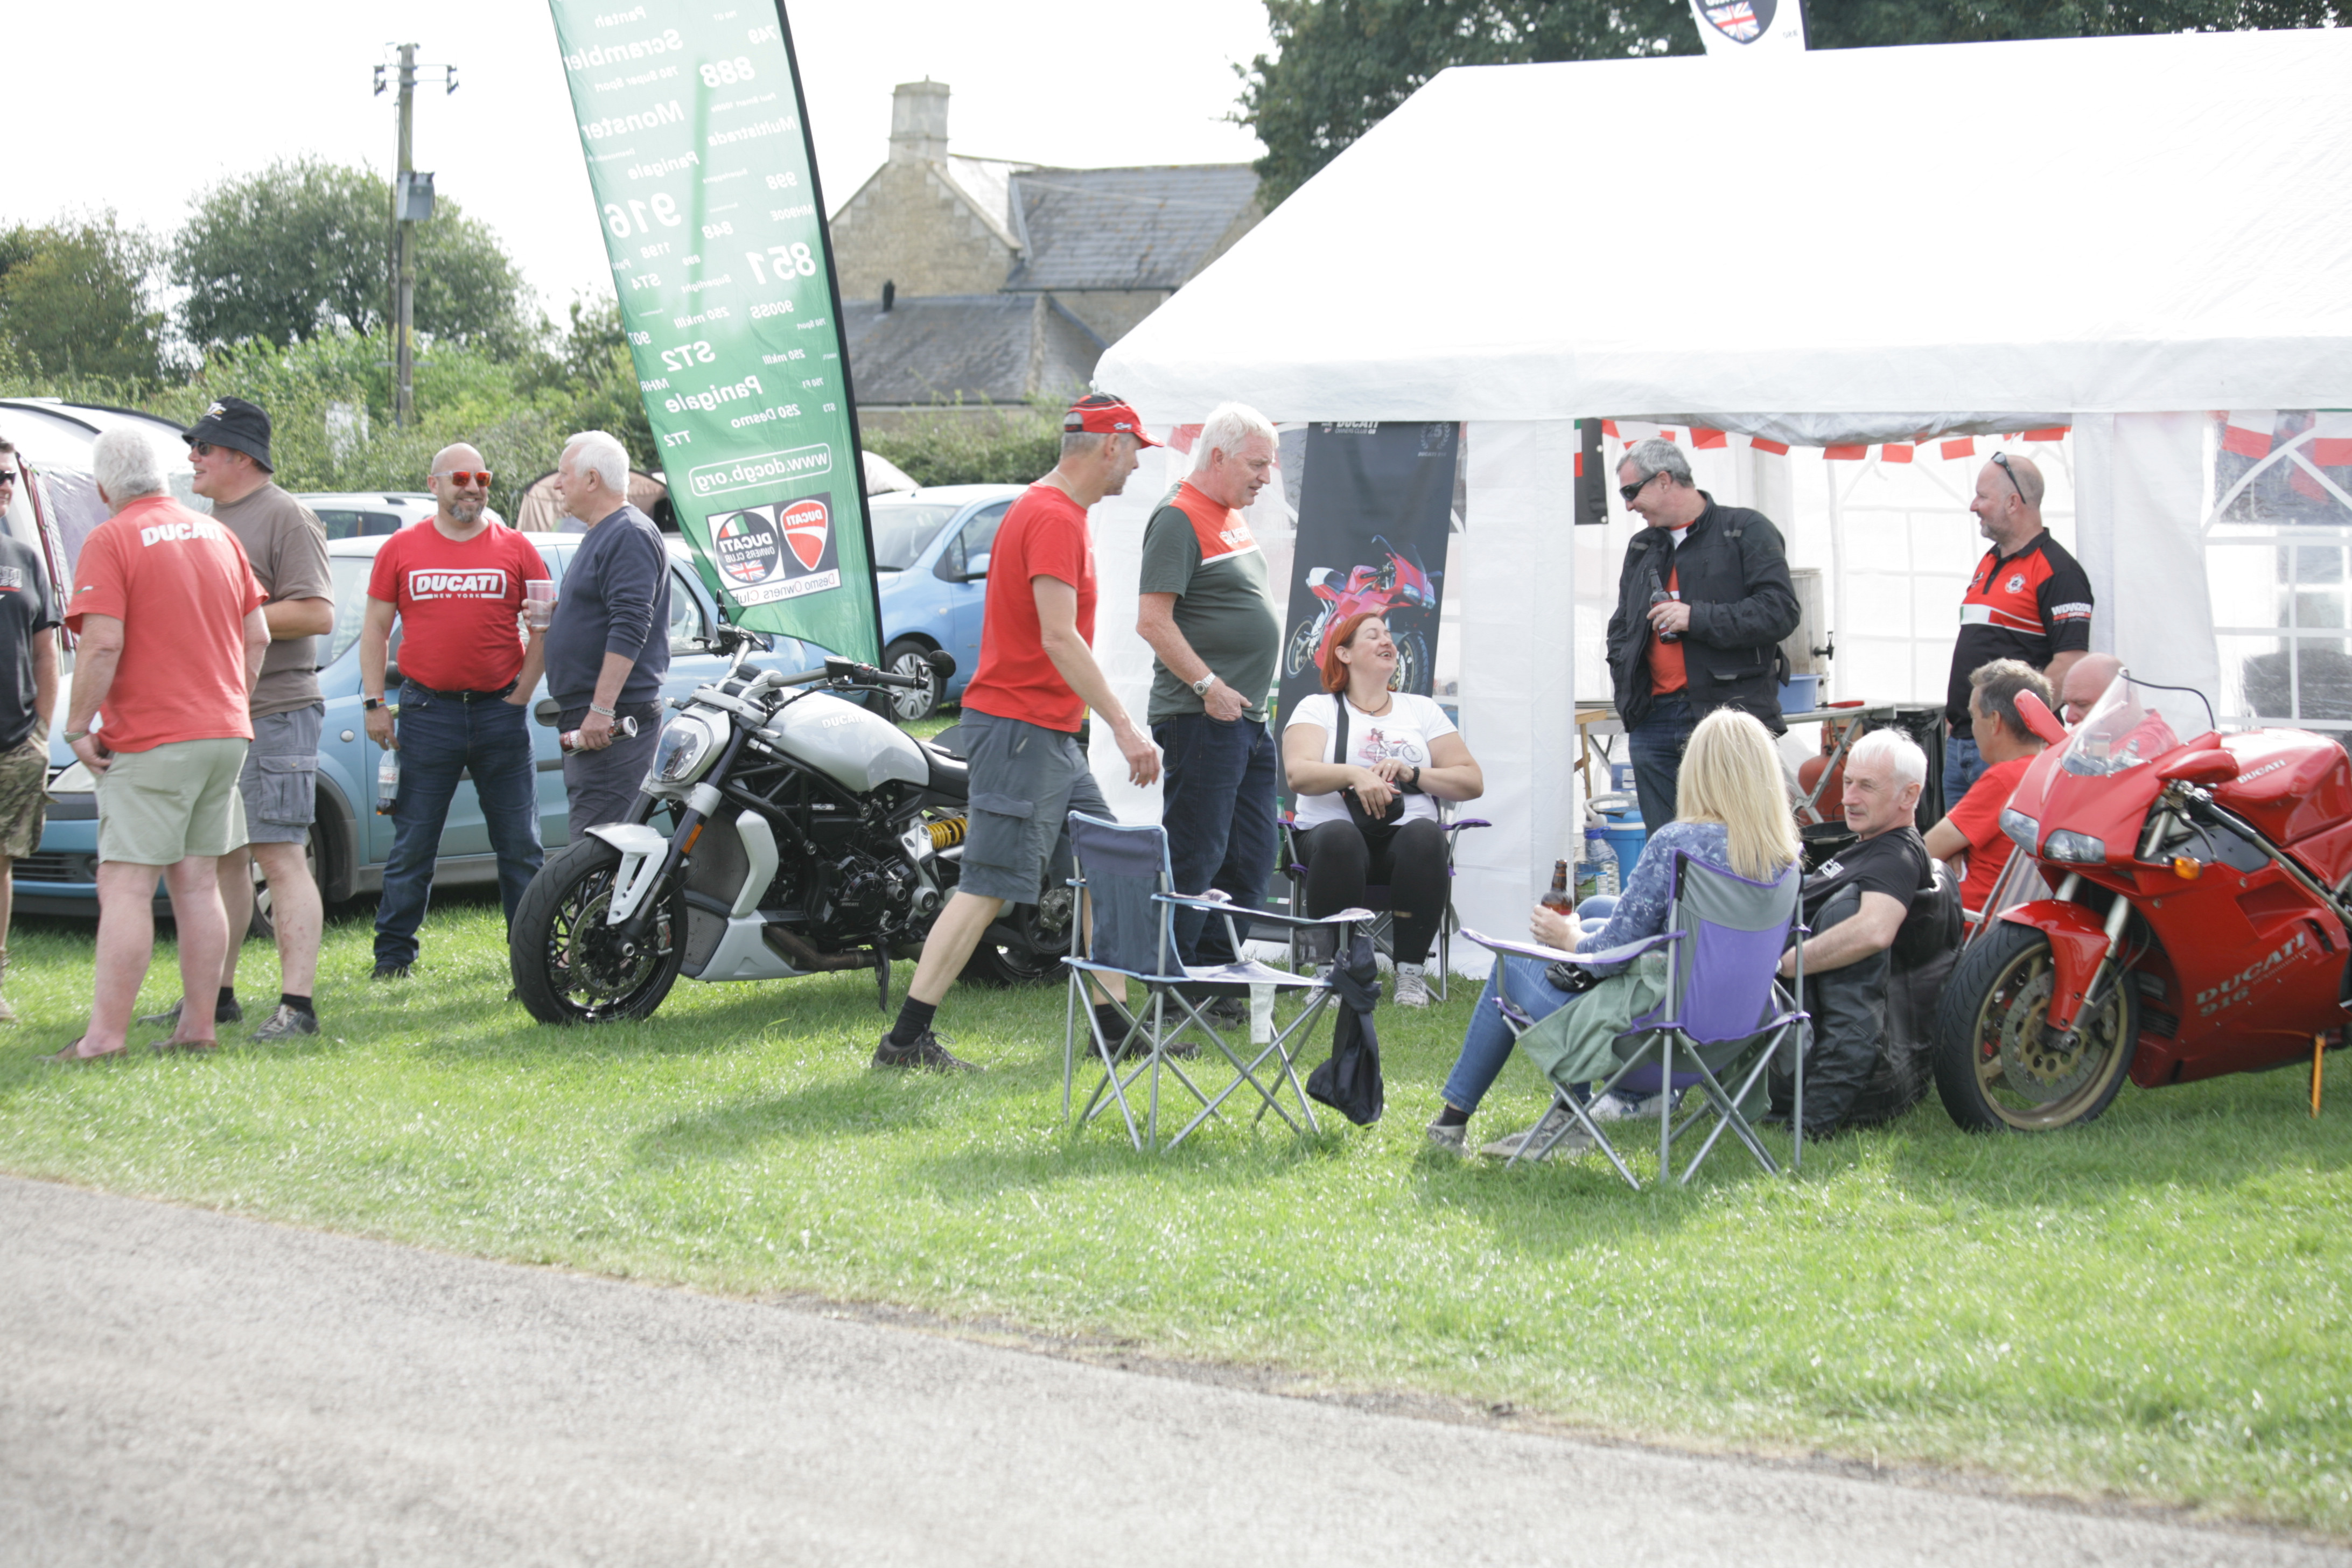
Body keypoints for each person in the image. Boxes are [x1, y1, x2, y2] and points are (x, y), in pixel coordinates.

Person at [874, 395, 1163, 1071]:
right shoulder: (1053, 516)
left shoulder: (1052, 510)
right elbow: (1059, 637)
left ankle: (1114, 1031)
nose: (1138, 463)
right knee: (988, 884)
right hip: (1022, 731)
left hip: (1050, 735)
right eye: (1136, 448)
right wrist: (1123, 727)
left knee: (1107, 864)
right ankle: (906, 1040)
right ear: (1110, 444)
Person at [1426, 707, 1796, 1154]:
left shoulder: (1678, 844)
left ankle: (1456, 1126)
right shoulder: (1783, 856)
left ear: (1698, 770)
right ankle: (1567, 1117)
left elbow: (1610, 958)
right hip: (1730, 1035)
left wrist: (1566, 936)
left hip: (1654, 1041)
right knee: (1601, 908)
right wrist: (1584, 929)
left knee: (1511, 967)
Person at [49, 430, 268, 1060]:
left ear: (101, 488)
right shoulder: (218, 534)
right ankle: (198, 1027)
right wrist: (231, 700)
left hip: (152, 735)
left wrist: (77, 726)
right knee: (197, 882)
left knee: (125, 886)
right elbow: (256, 636)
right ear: (162, 477)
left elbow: (102, 643)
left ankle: (104, 1038)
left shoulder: (111, 538)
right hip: (224, 730)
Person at [149, 397, 335, 1044]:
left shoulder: (286, 515)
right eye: (194, 446)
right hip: (221, 714)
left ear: (242, 455)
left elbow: (316, 612)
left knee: (280, 855)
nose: (192, 457)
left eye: (203, 446)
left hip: (277, 709)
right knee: (222, 856)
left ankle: (297, 1006)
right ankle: (216, 997)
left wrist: (223, 613)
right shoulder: (209, 520)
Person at [360, 445, 550, 979]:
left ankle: (530, 960)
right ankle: (393, 958)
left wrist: (521, 694)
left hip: (499, 715)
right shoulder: (402, 548)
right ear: (435, 483)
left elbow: (543, 628)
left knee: (520, 846)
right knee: (414, 842)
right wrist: (376, 702)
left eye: (482, 477)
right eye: (461, 477)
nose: (473, 487)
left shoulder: (517, 549)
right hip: (427, 712)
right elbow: (374, 629)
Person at [1135, 401, 1284, 985]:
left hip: (1244, 719)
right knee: (1197, 857)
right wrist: (1208, 685)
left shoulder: (1226, 511)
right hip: (1202, 717)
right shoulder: (1178, 515)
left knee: (1251, 855)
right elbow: (1153, 620)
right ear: (1217, 455)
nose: (1265, 478)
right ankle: (1169, 982)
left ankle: (1213, 972)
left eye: (1268, 466)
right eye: (1256, 464)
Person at [1281, 613, 1483, 1007]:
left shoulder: (1421, 710)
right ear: (1344, 653)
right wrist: (1356, 775)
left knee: (1426, 835)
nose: (1387, 641)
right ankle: (1331, 975)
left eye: (1389, 635)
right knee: (1341, 837)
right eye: (1373, 636)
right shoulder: (1317, 708)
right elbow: (1298, 773)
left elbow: (1471, 780)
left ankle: (1410, 976)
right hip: (1329, 840)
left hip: (1404, 844)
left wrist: (1414, 773)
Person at [1606, 437, 1800, 843]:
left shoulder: (1745, 530)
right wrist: (1629, 691)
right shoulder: (1642, 546)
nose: (1628, 506)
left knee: (1742, 840)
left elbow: (1781, 610)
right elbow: (1623, 623)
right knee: (1666, 845)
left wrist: (1697, 618)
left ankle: (1736, 907)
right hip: (1654, 718)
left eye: (1630, 492)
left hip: (1727, 717)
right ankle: (1679, 908)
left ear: (1663, 480)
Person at [1770, 729, 1935, 1138]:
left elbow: (1873, 930)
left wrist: (1787, 964)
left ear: (1909, 796)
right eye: (1847, 782)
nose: (1848, 798)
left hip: (1781, 1008)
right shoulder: (1871, 844)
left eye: (1867, 786)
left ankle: (1640, 1095)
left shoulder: (1896, 856)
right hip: (1771, 1003)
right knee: (1600, 914)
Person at [1943, 452, 2091, 806]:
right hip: (1964, 741)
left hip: (2006, 747)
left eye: (1983, 496)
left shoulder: (2058, 570)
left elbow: (2070, 661)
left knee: (2003, 856)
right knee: (1957, 859)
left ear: (2013, 503)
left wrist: (2015, 728)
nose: (1973, 505)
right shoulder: (1990, 560)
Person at [545, 429, 668, 833]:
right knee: (599, 840)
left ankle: (605, 901)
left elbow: (631, 623)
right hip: (598, 716)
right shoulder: (605, 531)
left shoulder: (628, 533)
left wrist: (601, 710)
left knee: (601, 846)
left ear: (592, 479)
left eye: (564, 474)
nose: (558, 484)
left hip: (612, 720)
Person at [0, 438, 60, 1024]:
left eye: (10, 477)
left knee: (2, 862)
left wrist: (41, 731)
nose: (6, 487)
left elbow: (46, 651)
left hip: (14, 743)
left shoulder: (23, 555)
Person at [1924, 660, 2053, 919]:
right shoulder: (2051, 769)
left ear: (1994, 721)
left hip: (1967, 925)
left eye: (1973, 716)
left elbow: (1924, 852)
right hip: (2021, 926)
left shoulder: (2004, 779)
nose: (1972, 727)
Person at [2060, 652, 2123, 726]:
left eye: (2082, 705)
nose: (2069, 718)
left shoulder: (2138, 738)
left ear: (2121, 700)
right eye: (2067, 705)